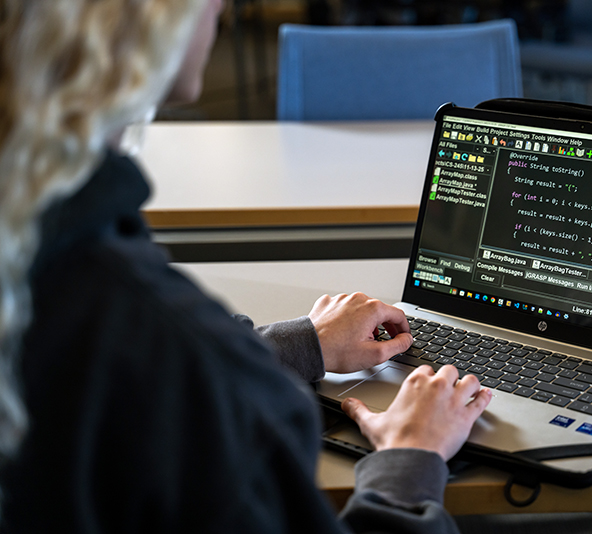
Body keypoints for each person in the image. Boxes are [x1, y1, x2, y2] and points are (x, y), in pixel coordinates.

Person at [0, 0, 493, 532]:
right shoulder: (164, 342)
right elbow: (175, 375)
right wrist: (410, 457)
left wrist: (305, 342)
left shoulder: (39, 252)